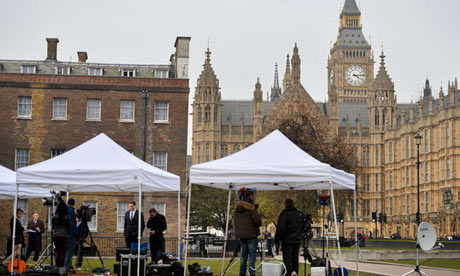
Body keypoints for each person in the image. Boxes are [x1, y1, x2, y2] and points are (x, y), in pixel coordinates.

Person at [234, 188, 261, 276]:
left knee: (243, 257)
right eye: (254, 196)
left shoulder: (238, 208)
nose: (255, 197)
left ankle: (242, 274)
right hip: (251, 235)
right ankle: (252, 274)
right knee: (252, 257)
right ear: (251, 196)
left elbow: (236, 221)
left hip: (242, 235)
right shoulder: (251, 207)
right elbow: (258, 221)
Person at [275, 199, 305, 276]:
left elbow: (281, 228)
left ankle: (288, 273)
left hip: (287, 240)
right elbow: (303, 227)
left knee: (288, 259)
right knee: (295, 259)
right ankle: (295, 273)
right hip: (296, 240)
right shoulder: (299, 214)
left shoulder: (285, 214)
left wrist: (277, 239)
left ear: (285, 204)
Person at [52, 201, 71, 276]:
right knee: (63, 253)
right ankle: (62, 270)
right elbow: (69, 227)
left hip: (56, 235)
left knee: (58, 252)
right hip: (64, 235)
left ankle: (57, 268)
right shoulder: (67, 216)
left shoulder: (55, 216)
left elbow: (53, 226)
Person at [64, 199, 78, 271]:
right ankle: (66, 267)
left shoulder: (64, 210)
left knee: (66, 251)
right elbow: (72, 224)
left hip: (64, 234)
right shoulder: (71, 211)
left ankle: (67, 266)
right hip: (70, 235)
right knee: (69, 251)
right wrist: (76, 234)